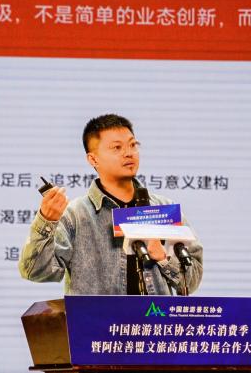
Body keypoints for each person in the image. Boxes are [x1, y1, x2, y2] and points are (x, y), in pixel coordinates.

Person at [18, 114, 203, 295]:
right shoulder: (75, 215)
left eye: (133, 145)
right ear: (93, 159)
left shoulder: (164, 209)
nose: (129, 153)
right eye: (117, 147)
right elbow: (35, 271)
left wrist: (163, 258)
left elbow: (192, 281)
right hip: (97, 317)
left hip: (154, 316)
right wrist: (47, 220)